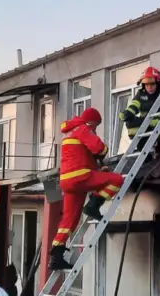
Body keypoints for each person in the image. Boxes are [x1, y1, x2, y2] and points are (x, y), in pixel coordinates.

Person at [51, 107, 124, 271]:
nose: (95, 129)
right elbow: (99, 148)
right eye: (96, 125)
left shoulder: (69, 132)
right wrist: (103, 151)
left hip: (67, 180)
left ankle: (56, 256)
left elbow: (80, 155)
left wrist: (98, 170)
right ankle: (93, 205)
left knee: (69, 220)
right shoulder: (83, 128)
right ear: (92, 121)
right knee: (117, 180)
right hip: (80, 176)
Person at [119, 66, 160, 155]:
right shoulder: (141, 94)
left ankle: (158, 142)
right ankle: (141, 144)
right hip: (146, 127)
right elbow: (134, 106)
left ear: (157, 83)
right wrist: (127, 113)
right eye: (146, 85)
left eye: (152, 84)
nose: (149, 87)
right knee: (130, 122)